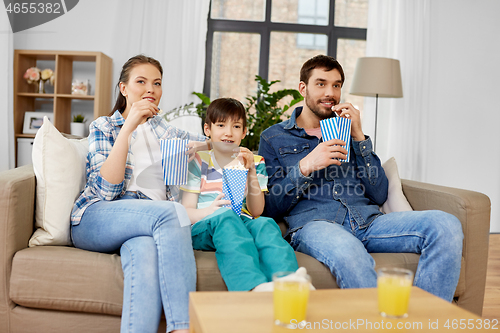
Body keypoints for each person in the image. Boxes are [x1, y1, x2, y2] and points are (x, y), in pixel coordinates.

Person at [258, 54, 464, 302]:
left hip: (369, 222)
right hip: (316, 225)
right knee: (348, 250)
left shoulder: (348, 130)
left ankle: (427, 323)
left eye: (336, 85)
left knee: (446, 225)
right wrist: (306, 166)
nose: (330, 92)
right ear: (303, 88)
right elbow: (270, 207)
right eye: (321, 83)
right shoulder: (274, 138)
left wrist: (359, 137)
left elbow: (379, 194)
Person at [71, 55, 209, 333]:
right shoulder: (103, 126)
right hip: (97, 217)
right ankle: (183, 328)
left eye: (156, 83)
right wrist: (129, 126)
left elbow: (207, 142)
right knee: (173, 212)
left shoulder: (163, 128)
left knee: (146, 253)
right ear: (123, 88)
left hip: (145, 223)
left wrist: (206, 146)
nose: (151, 89)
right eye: (141, 82)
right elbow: (106, 191)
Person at [180, 97, 299, 292]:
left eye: (236, 127)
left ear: (244, 132)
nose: (228, 132)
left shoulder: (255, 161)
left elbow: (257, 210)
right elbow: (186, 211)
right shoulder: (198, 161)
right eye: (221, 125)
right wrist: (209, 211)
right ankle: (252, 287)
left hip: (242, 221)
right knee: (226, 218)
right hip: (205, 225)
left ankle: (290, 282)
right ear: (208, 130)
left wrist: (251, 171)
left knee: (265, 224)